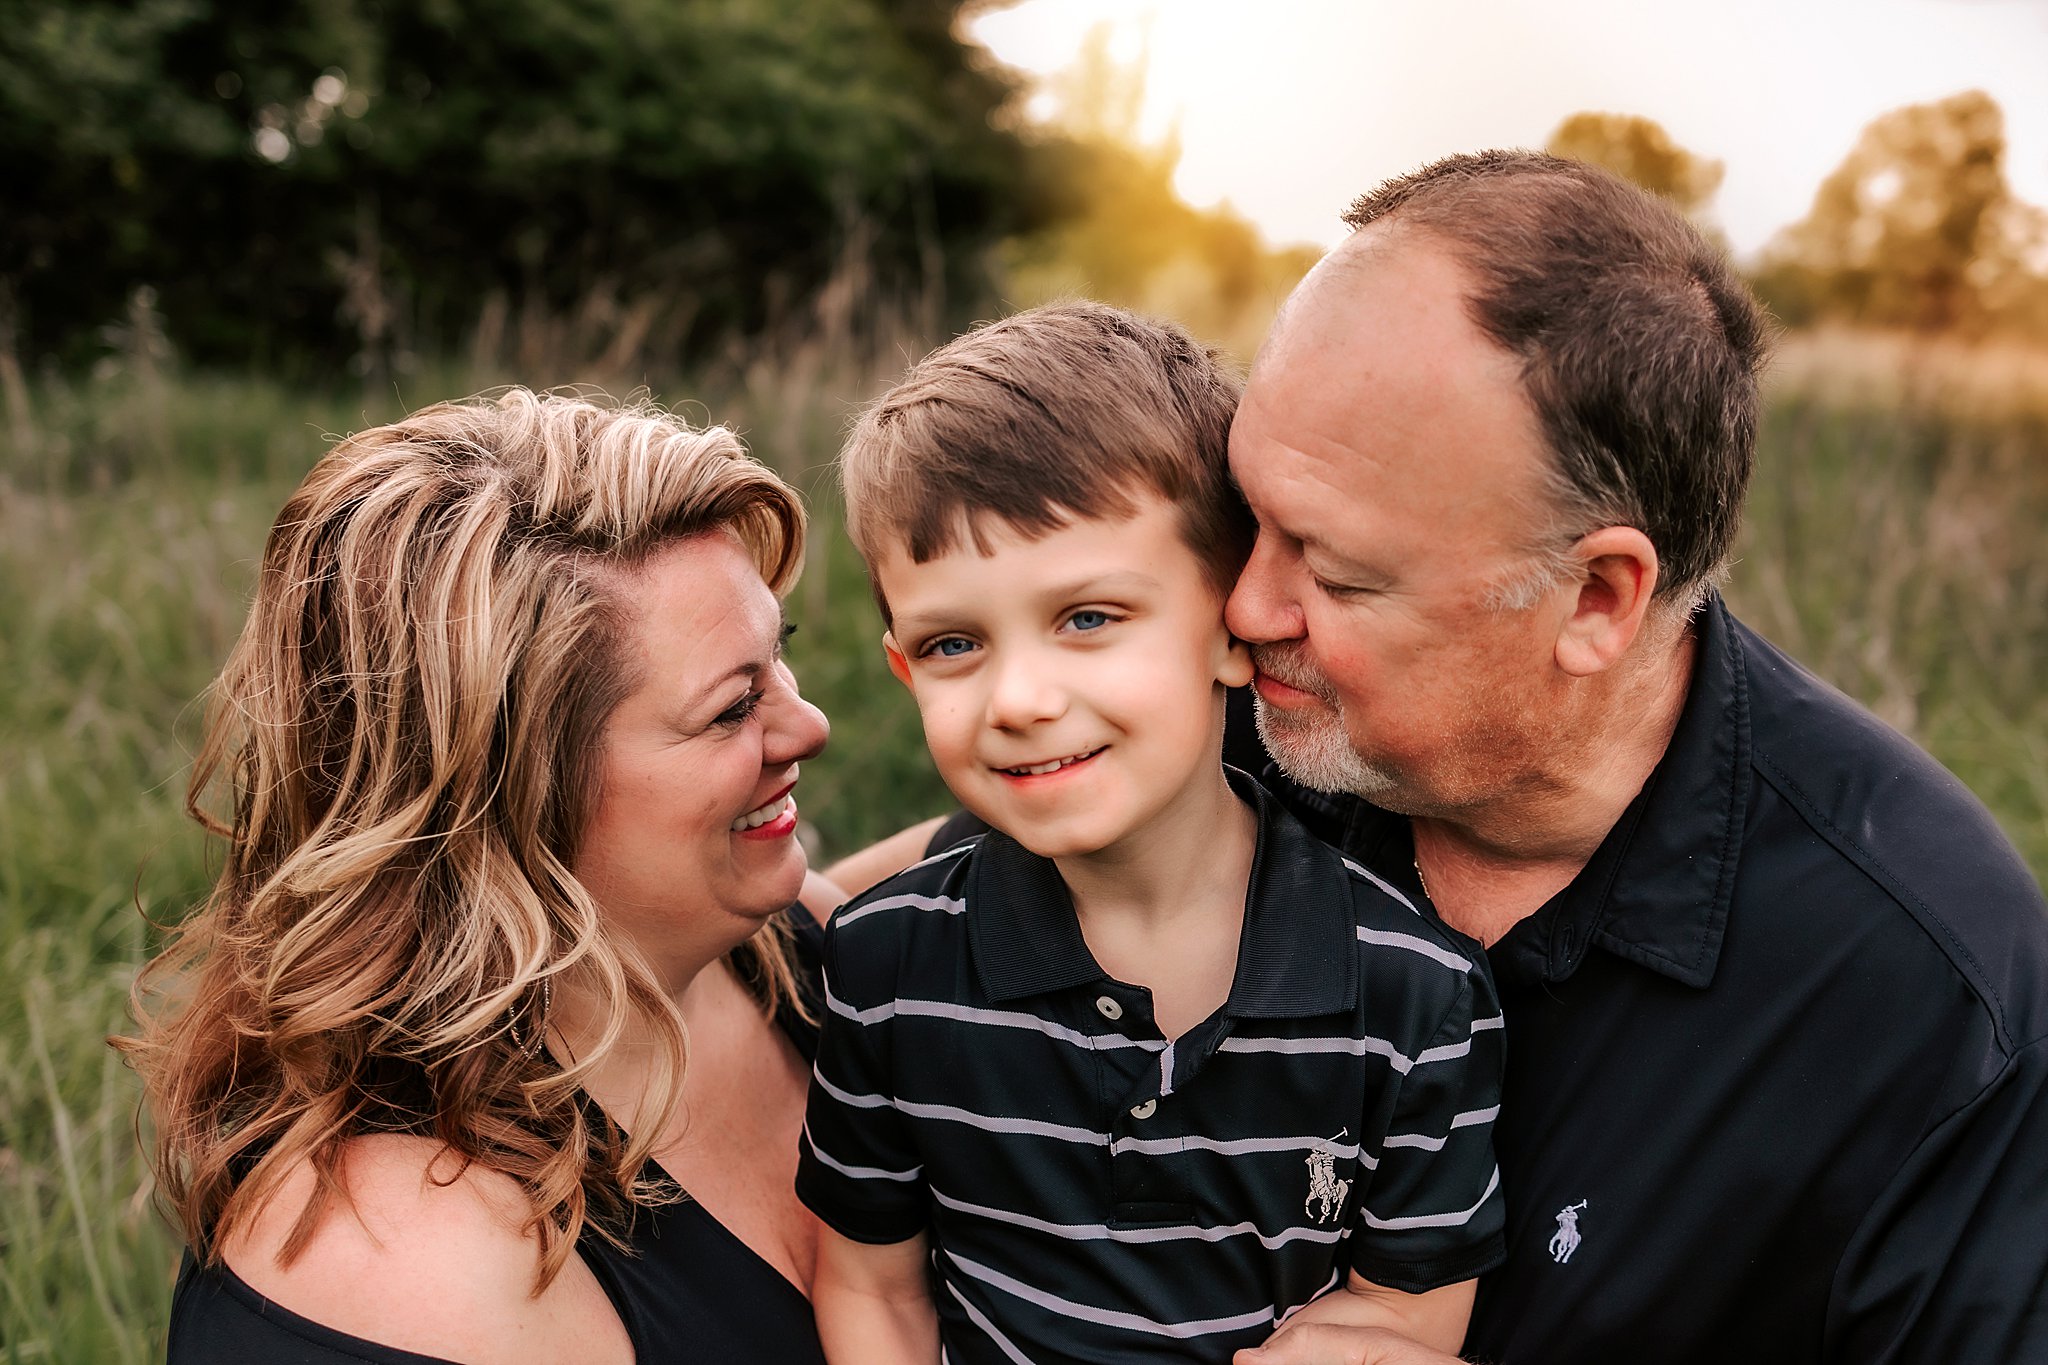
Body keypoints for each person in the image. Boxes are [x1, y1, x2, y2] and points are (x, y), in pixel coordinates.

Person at [837, 153, 2048, 1365]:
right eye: (1249, 516)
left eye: (1335, 569)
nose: (1244, 609)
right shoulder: (1259, 725)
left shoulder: (1924, 995)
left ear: (1594, 599)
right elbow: (922, 881)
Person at [797, 302, 1506, 1365]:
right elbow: (870, 1286)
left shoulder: (1412, 993)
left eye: (1087, 618)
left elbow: (1405, 1311)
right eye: (954, 643)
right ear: (901, 666)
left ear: (1231, 628)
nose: (1020, 699)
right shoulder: (886, 967)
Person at [117, 389, 840, 1363]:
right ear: (508, 791)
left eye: (777, 659)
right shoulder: (421, 1258)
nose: (808, 727)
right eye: (730, 708)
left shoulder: (784, 952)